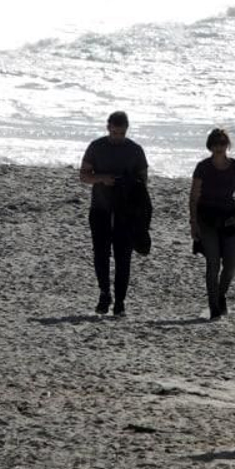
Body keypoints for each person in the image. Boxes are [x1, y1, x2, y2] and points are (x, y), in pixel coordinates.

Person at [79, 111, 149, 317]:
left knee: (123, 256)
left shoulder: (135, 150)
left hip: (126, 212)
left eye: (121, 133)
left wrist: (127, 184)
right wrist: (102, 178)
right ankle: (104, 293)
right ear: (108, 127)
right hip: (100, 207)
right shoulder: (97, 147)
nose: (118, 136)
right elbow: (84, 175)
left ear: (126, 129)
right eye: (115, 132)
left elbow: (143, 182)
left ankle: (120, 301)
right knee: (101, 253)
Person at [191, 128, 235, 321]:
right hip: (207, 219)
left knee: (231, 265)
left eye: (223, 143)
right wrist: (193, 222)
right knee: (213, 264)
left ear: (227, 145)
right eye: (216, 143)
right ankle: (213, 307)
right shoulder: (203, 167)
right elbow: (194, 197)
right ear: (210, 145)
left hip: (229, 219)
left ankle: (221, 295)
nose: (219, 147)